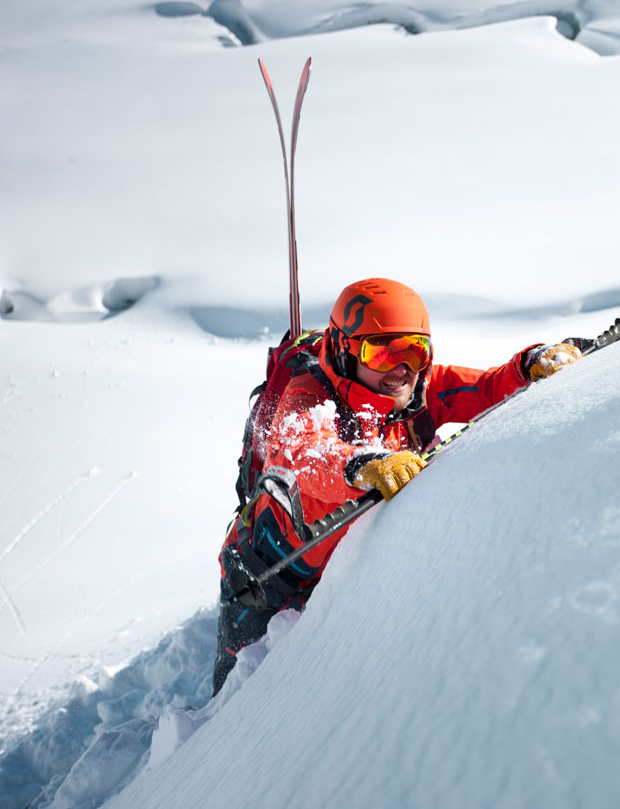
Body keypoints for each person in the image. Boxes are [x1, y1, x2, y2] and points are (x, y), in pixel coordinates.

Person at [212, 277, 580, 693]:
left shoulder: (420, 392)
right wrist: (361, 465)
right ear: (344, 349)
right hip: (265, 572)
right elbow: (303, 455)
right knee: (233, 696)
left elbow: (486, 387)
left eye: (414, 350)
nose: (401, 368)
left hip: (337, 574)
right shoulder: (310, 397)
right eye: (383, 352)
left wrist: (531, 361)